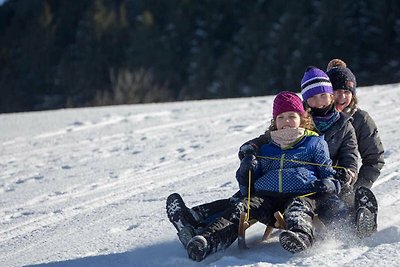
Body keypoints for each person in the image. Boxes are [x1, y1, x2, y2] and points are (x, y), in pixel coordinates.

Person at [167, 91, 341, 261]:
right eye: (280, 117)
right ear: (274, 121)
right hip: (267, 198)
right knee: (241, 209)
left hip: (301, 193)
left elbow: (329, 174)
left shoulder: (315, 142)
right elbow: (248, 185)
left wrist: (329, 184)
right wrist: (247, 169)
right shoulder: (266, 147)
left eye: (291, 116)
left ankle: (300, 237)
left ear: (302, 118)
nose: (286, 122)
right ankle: (207, 241)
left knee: (298, 208)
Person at [326, 59, 385, 190]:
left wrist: (358, 188)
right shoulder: (314, 115)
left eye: (347, 92)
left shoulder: (360, 119)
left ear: (353, 95)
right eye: (336, 91)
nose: (341, 96)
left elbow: (374, 158)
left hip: (345, 182)